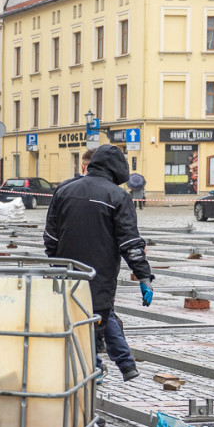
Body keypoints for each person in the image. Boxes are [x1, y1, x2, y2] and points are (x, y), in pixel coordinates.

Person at [44, 145, 154, 382]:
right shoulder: (118, 196)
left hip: (67, 272)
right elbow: (130, 242)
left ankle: (110, 367)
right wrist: (144, 277)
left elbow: (51, 235)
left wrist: (55, 263)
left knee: (76, 320)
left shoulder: (64, 190)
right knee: (98, 320)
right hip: (100, 274)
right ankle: (97, 372)